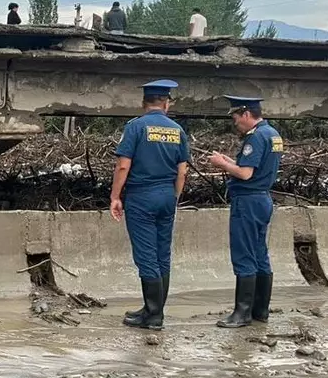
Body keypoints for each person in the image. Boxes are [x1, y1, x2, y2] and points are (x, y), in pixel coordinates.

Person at [110, 80, 189, 331]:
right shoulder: (177, 130)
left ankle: (154, 316)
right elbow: (183, 171)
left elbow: (123, 165)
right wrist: (174, 196)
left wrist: (115, 196)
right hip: (167, 195)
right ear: (167, 103)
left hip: (142, 196)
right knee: (162, 255)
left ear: (144, 103)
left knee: (146, 256)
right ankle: (153, 309)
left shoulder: (136, 127)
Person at [207, 96, 283, 329]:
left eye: (236, 117)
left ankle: (242, 313)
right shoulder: (272, 134)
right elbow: (252, 167)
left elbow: (246, 174)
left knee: (244, 255)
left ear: (247, 114)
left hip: (248, 201)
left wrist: (221, 165)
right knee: (260, 254)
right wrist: (228, 160)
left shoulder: (256, 137)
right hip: (263, 199)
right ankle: (261, 310)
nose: (235, 122)